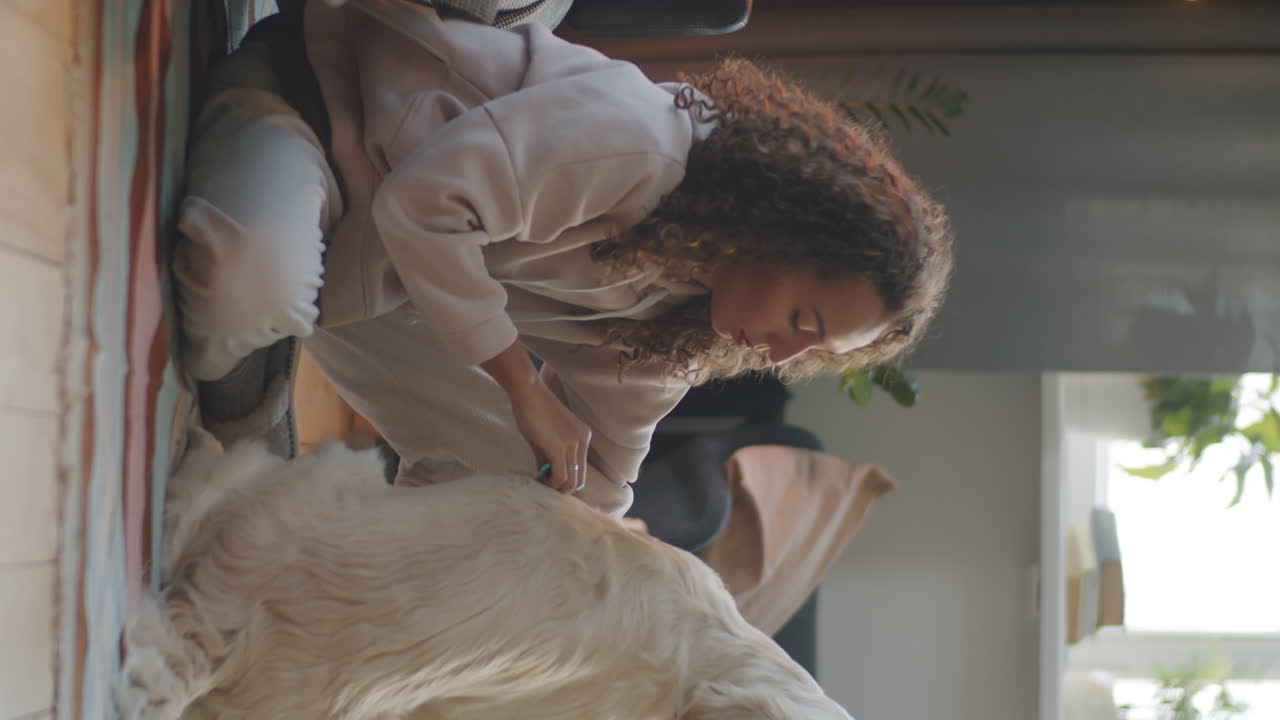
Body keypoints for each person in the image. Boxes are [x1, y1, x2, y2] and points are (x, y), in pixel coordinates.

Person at [174, 0, 954, 518]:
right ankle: (249, 409)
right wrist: (524, 388)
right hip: (316, 115)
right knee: (241, 284)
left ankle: (355, 574)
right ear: (781, 229)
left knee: (537, 489)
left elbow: (604, 475)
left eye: (812, 350)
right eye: (802, 321)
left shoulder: (688, 327)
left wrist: (605, 560)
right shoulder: (644, 147)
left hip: (383, 273)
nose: (781, 355)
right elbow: (422, 206)